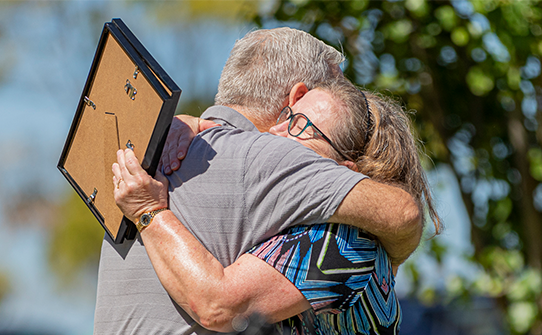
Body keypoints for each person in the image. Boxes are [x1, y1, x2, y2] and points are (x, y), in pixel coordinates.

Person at [94, 27, 423, 334]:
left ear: (345, 169)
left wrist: (150, 210)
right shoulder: (270, 164)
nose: (282, 131)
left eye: (298, 124)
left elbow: (219, 304)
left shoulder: (146, 156)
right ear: (296, 97)